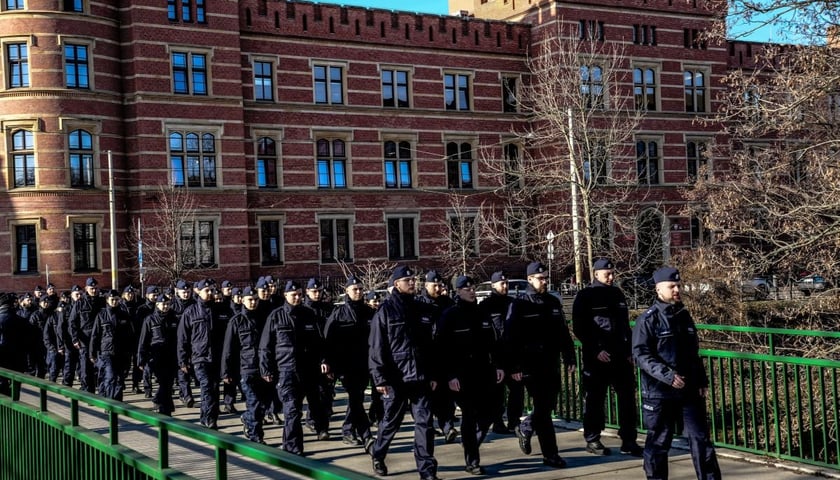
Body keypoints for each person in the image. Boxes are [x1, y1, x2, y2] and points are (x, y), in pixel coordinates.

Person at [632, 267, 722, 480]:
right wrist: (667, 375)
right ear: (658, 289)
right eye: (671, 286)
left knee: (701, 441)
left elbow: (693, 353)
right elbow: (641, 355)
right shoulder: (648, 320)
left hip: (688, 391)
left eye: (678, 286)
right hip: (659, 392)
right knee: (659, 444)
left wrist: (701, 380)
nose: (677, 290)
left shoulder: (683, 316)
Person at [369, 265, 440, 480]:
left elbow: (431, 345)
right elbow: (377, 347)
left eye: (413, 279)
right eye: (407, 280)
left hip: (420, 377)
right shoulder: (386, 311)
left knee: (425, 424)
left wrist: (433, 374)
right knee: (391, 422)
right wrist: (380, 378)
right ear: (396, 284)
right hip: (396, 378)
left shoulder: (421, 308)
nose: (412, 283)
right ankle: (378, 453)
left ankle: (427, 471)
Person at [505, 261, 575, 469]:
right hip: (529, 364)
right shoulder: (519, 304)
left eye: (546, 278)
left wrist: (569, 356)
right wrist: (514, 366)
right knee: (544, 411)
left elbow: (563, 333)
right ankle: (550, 454)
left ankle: (526, 426)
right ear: (530, 279)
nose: (544, 281)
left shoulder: (552, 303)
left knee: (547, 406)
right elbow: (510, 337)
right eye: (540, 278)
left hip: (550, 362)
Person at [572, 257, 643, 456]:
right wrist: (595, 349)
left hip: (620, 355)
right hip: (598, 358)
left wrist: (630, 351)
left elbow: (624, 326)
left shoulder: (617, 294)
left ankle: (629, 439)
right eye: (607, 274)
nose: (611, 277)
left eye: (612, 274)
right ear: (596, 274)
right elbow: (580, 327)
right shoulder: (586, 296)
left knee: (627, 399)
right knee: (595, 400)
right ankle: (593, 439)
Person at [437, 275, 504, 475]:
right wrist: (450, 375)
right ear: (458, 291)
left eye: (473, 288)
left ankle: (472, 442)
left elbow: (494, 342)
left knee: (492, 411)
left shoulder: (482, 313)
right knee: (469, 415)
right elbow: (443, 348)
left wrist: (499, 365)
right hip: (462, 374)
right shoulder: (450, 315)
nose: (471, 291)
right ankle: (472, 461)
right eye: (466, 288)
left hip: (484, 371)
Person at [260, 280, 331, 455]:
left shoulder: (308, 314)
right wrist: (265, 369)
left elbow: (319, 342)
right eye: (294, 295)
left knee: (308, 407)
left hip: (308, 370)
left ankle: (297, 440)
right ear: (285, 295)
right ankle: (293, 448)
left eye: (299, 294)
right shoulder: (276, 316)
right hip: (286, 371)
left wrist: (324, 360)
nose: (298, 297)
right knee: (291, 410)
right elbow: (265, 346)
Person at [323, 274, 374, 449]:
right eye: (355, 289)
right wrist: (328, 362)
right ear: (346, 291)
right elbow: (328, 340)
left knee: (357, 398)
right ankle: (364, 434)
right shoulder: (338, 314)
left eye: (360, 289)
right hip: (346, 364)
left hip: (364, 363)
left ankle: (348, 428)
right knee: (355, 397)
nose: (358, 292)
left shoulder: (369, 312)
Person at [221, 287, 268, 443]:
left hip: (262, 369)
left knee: (263, 405)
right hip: (245, 369)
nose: (253, 302)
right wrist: (226, 371)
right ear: (242, 300)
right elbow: (228, 349)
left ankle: (247, 418)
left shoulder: (264, 318)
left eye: (255, 299)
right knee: (254, 403)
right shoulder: (236, 321)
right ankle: (257, 437)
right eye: (250, 300)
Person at [417, 270, 458, 444]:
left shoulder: (447, 304)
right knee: (428, 397)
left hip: (445, 355)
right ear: (426, 286)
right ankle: (429, 427)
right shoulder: (419, 305)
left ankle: (447, 426)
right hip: (426, 357)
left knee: (446, 396)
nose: (438, 288)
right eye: (435, 285)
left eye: (440, 285)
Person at [477, 270, 520, 434]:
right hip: (495, 356)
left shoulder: (513, 303)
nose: (505, 286)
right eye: (502, 283)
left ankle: (514, 421)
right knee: (497, 393)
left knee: (516, 391)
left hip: (512, 354)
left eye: (507, 283)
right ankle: (497, 421)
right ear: (493, 285)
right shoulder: (486, 306)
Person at [178, 279, 224, 429]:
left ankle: (208, 418)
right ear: (198, 292)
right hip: (200, 357)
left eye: (212, 290)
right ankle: (209, 420)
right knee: (207, 387)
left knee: (215, 389)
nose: (210, 293)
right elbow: (183, 338)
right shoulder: (190, 312)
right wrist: (183, 360)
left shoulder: (219, 310)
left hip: (216, 357)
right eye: (207, 290)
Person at [137, 294, 179, 415]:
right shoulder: (150, 319)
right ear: (157, 305)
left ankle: (162, 403)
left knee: (169, 382)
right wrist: (141, 358)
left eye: (167, 304)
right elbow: (143, 340)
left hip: (171, 355)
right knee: (163, 381)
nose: (165, 306)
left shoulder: (174, 318)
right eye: (163, 304)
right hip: (157, 356)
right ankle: (164, 408)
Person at [89, 290, 135, 401]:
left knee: (119, 378)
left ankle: (117, 403)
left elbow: (130, 334)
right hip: (106, 351)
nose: (114, 302)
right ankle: (109, 403)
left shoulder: (124, 315)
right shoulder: (101, 315)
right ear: (107, 300)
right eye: (112, 300)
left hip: (121, 351)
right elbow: (95, 335)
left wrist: (131, 351)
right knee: (110, 377)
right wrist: (92, 352)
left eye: (116, 300)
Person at [69, 277, 105, 393]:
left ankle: (102, 391)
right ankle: (89, 392)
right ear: (86, 289)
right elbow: (72, 322)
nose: (94, 291)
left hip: (100, 339)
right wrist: (75, 339)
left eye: (95, 288)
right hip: (85, 339)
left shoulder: (102, 302)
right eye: (91, 288)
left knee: (101, 367)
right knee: (86, 368)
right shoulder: (80, 303)